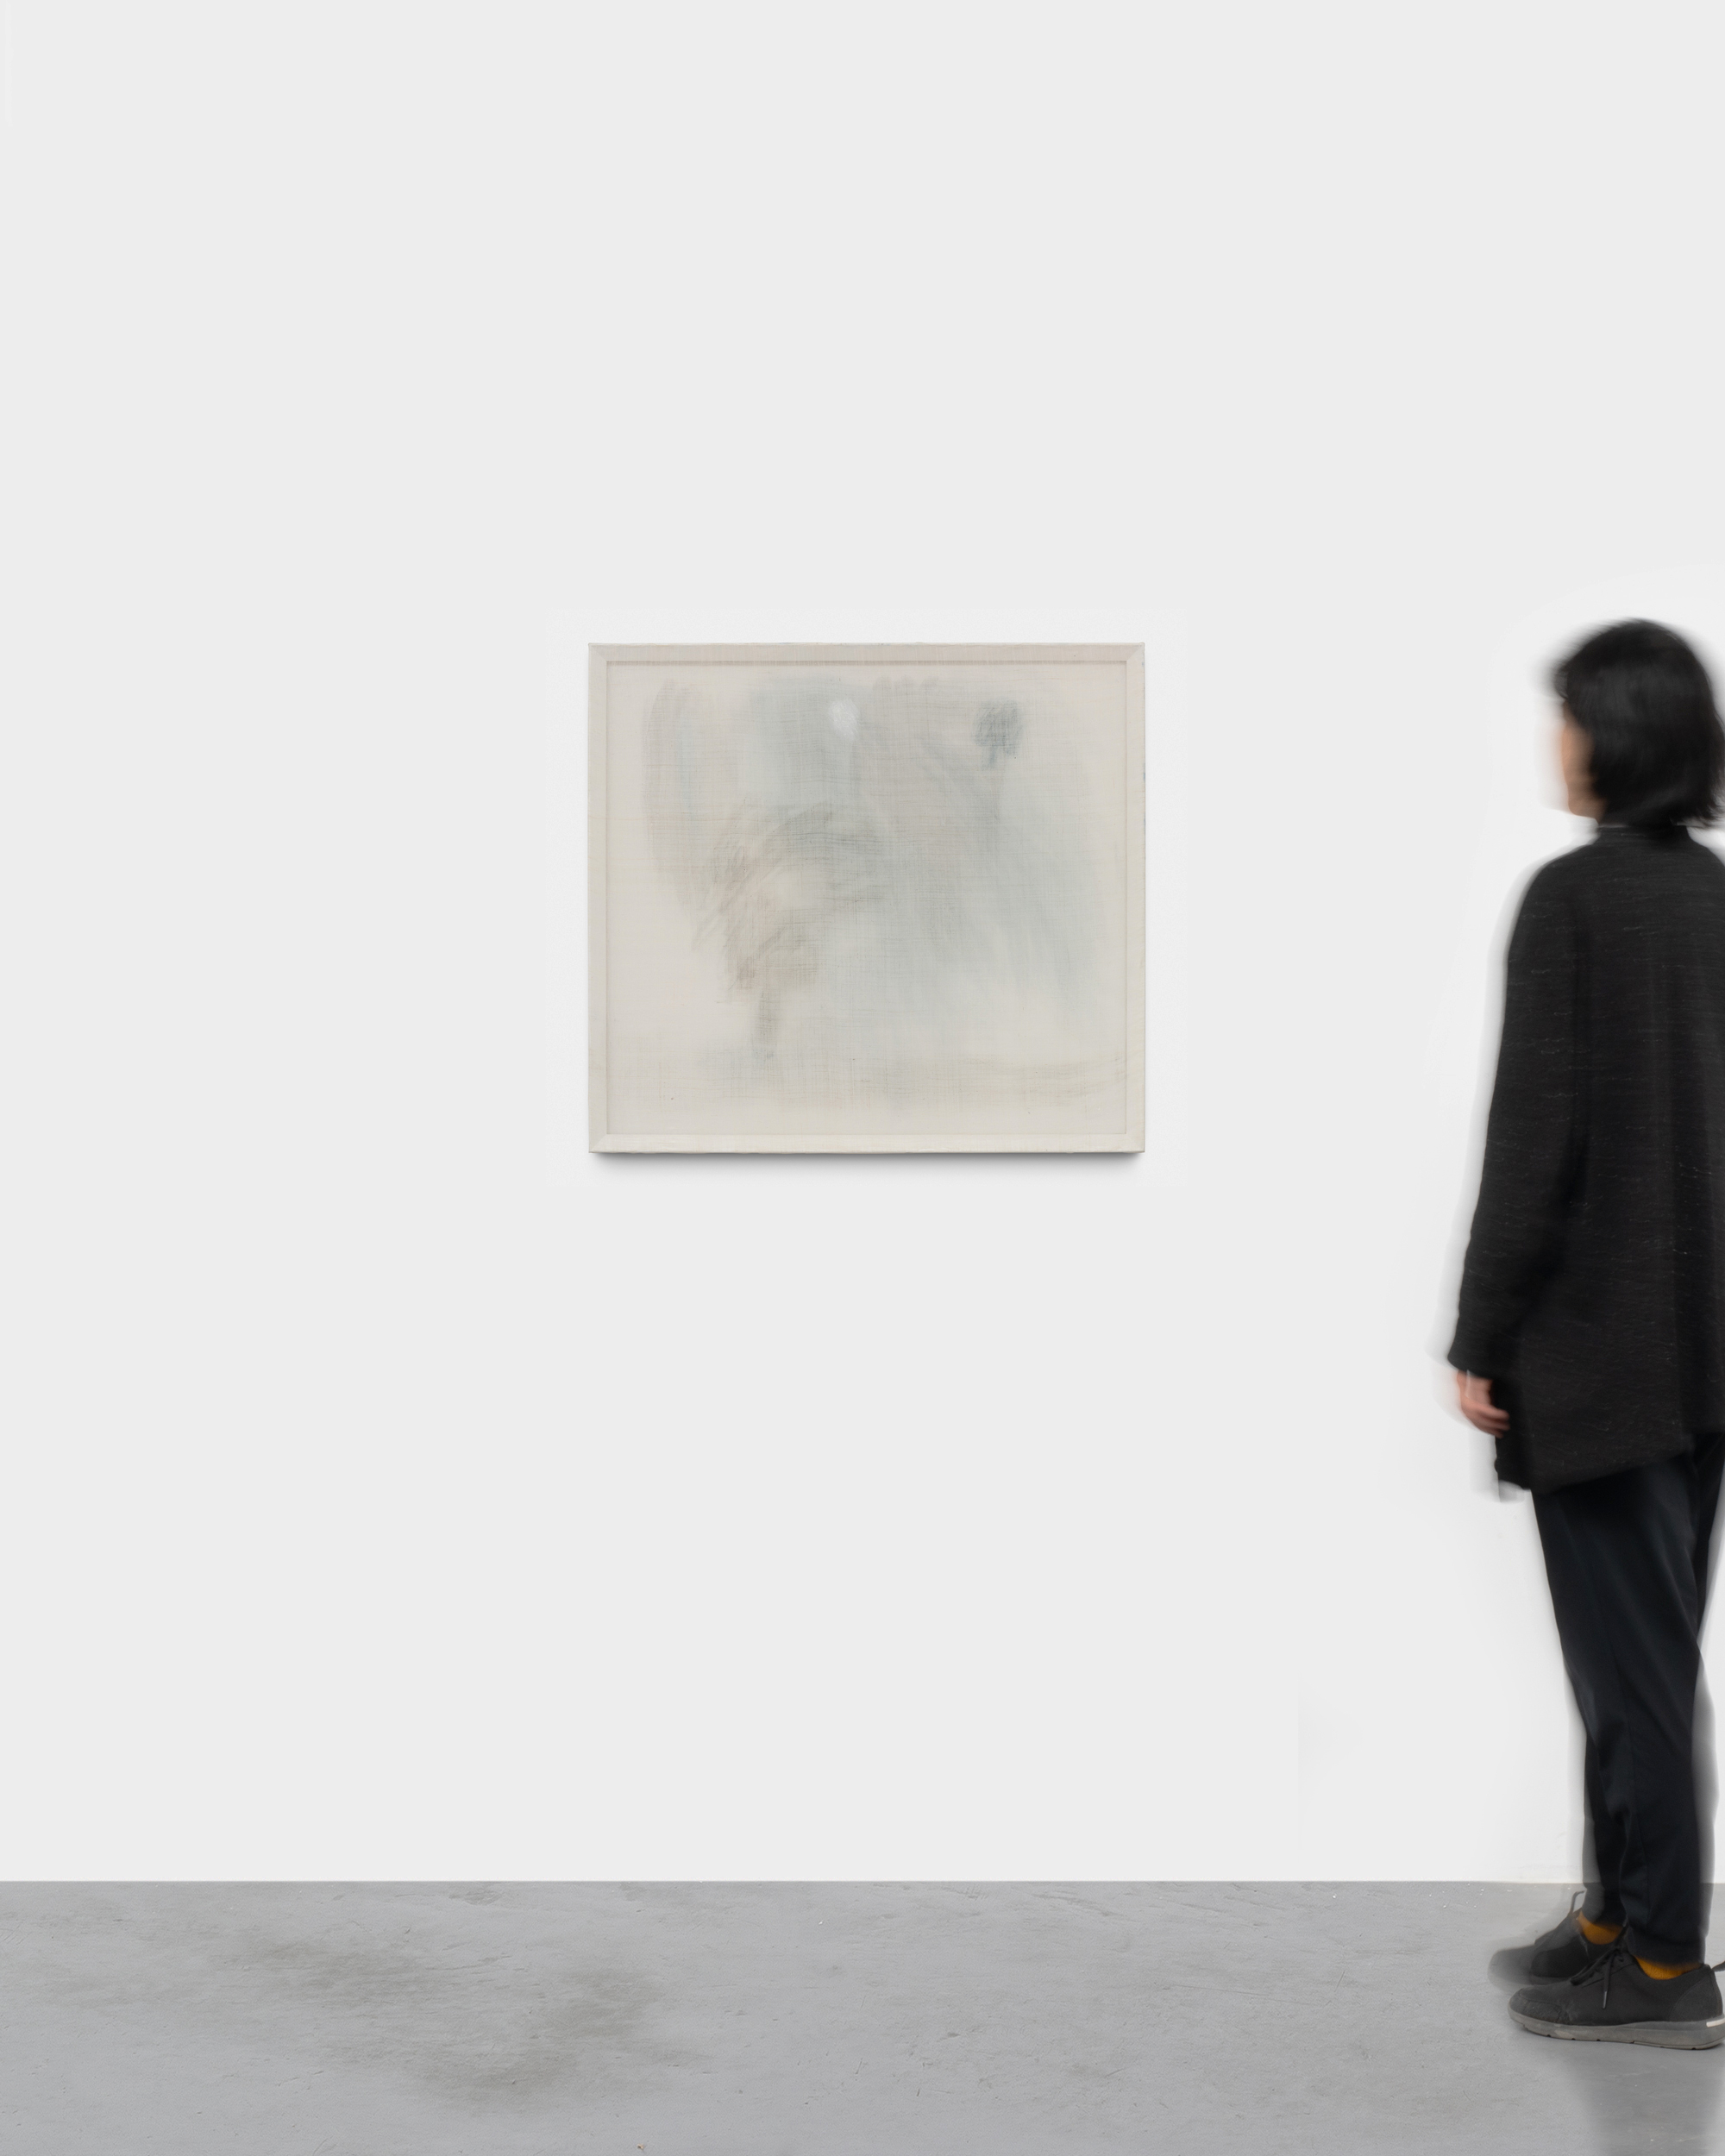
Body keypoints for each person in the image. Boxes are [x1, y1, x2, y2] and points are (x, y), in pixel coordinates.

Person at [1452, 618, 1725, 2048]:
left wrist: (1479, 1333)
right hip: (1705, 1357)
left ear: (1616, 735)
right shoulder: (1718, 901)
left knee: (1633, 1669)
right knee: (1641, 1658)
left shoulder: (1569, 902)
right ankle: (1617, 1915)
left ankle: (1668, 1965)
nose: (1555, 742)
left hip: (1604, 1357)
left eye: (1569, 716)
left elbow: (1533, 1141)